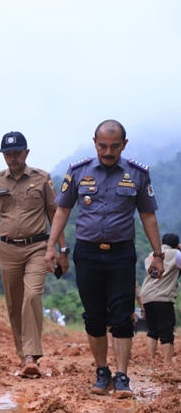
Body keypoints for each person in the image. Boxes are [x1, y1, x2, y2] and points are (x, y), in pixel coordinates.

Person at [44, 119, 164, 399]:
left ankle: (122, 377)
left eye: (114, 146)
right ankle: (102, 372)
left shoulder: (137, 174)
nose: (108, 152)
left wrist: (158, 255)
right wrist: (52, 247)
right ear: (94, 143)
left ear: (124, 144)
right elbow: (62, 211)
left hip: (122, 254)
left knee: (122, 316)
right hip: (87, 253)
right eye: (102, 146)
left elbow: (148, 216)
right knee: (94, 316)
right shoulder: (78, 172)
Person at [0, 131, 68, 379]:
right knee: (14, 304)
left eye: (17, 153)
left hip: (37, 247)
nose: (12, 158)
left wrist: (61, 249)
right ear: (3, 155)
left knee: (32, 296)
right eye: (8, 153)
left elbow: (54, 214)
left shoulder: (42, 179)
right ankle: (23, 356)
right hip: (8, 250)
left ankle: (31, 356)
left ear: (26, 152)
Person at [140, 233, 181, 365]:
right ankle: (167, 363)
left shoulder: (151, 255)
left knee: (152, 330)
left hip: (146, 296)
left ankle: (150, 361)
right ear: (176, 244)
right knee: (166, 330)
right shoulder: (176, 254)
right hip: (162, 297)